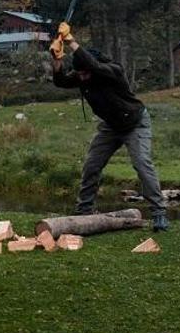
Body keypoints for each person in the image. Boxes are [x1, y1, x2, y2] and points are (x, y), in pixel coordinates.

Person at [49, 23, 170, 231]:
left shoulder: (112, 70)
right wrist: (57, 60)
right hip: (111, 126)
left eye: (85, 73)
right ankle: (84, 210)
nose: (82, 78)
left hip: (135, 123)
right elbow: (60, 81)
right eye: (79, 74)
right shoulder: (82, 75)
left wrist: (71, 41)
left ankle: (159, 213)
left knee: (142, 165)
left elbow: (94, 67)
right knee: (92, 165)